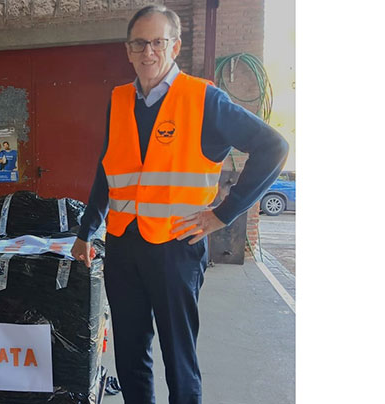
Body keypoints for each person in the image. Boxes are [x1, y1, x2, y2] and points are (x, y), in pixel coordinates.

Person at [70, 5, 288, 404]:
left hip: (175, 247)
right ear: (128, 49)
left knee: (179, 359)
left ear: (175, 46)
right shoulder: (119, 100)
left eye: (158, 42)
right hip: (122, 246)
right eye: (140, 43)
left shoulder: (204, 99)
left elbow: (273, 147)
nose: (148, 51)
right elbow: (108, 169)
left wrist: (222, 214)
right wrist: (87, 230)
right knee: (131, 356)